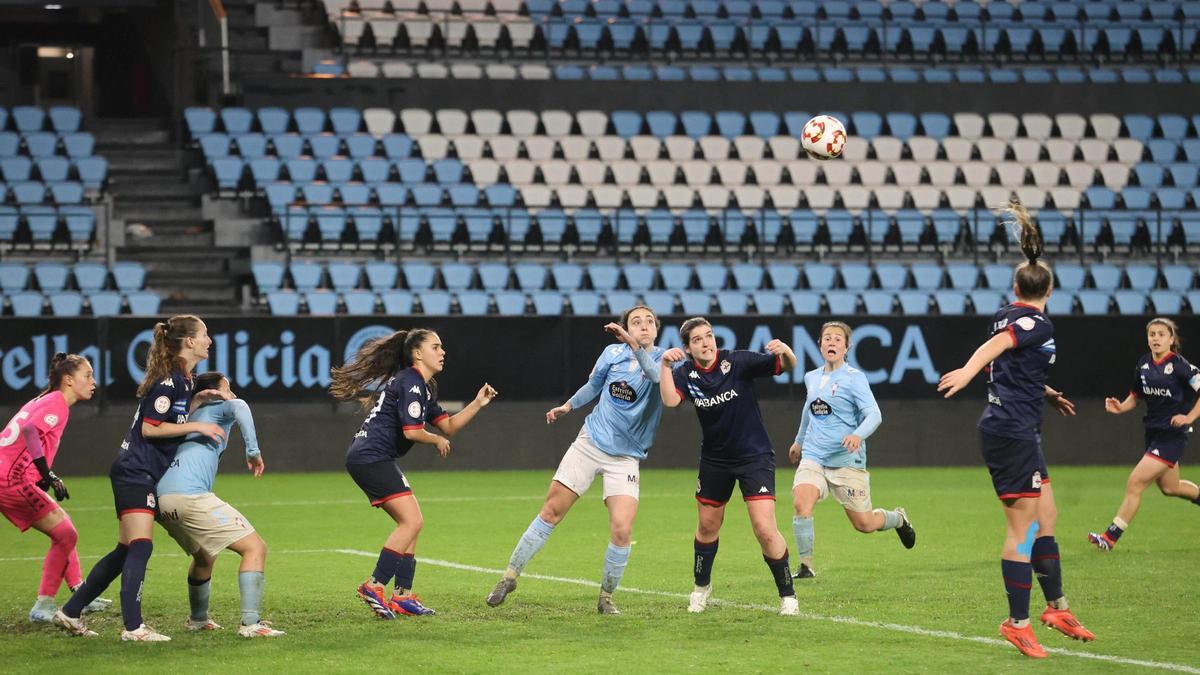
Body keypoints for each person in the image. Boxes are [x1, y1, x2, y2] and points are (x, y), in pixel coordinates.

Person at [937, 202, 1094, 659]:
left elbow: (1012, 363)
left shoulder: (1007, 312)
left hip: (1020, 426)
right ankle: (1017, 622)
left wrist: (1045, 391)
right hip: (1011, 432)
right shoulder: (1032, 321)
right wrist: (967, 371)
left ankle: (1057, 607)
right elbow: (999, 346)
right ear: (1050, 288)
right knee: (1022, 530)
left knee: (1047, 516)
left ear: (1015, 286)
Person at [54, 315, 227, 641]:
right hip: (136, 471)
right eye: (204, 334)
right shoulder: (168, 381)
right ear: (189, 341)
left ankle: (71, 611)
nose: (209, 340)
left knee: (125, 550)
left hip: (138, 471)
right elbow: (150, 427)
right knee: (141, 546)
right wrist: (197, 425)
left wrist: (196, 403)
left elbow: (170, 414)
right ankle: (133, 627)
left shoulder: (186, 380)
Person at [486, 306, 665, 615]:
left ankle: (606, 597)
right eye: (636, 322)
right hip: (590, 443)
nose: (644, 325)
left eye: (649, 321)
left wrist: (634, 345)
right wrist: (566, 407)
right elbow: (594, 387)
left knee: (622, 529)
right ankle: (509, 576)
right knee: (551, 511)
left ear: (657, 329)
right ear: (626, 328)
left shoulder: (664, 359)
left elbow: (653, 376)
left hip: (625, 456)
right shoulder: (612, 353)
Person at [331, 328, 497, 619]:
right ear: (418, 353)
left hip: (372, 457)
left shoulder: (422, 385)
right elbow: (412, 431)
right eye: (436, 346)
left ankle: (403, 596)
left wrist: (477, 403)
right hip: (372, 457)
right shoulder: (411, 381)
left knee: (413, 523)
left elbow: (448, 426)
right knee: (412, 522)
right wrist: (436, 440)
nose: (442, 351)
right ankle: (374, 586)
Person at [658, 317, 800, 616]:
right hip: (715, 460)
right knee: (708, 526)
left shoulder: (738, 361)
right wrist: (665, 366)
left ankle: (787, 594)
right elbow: (671, 401)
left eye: (708, 336)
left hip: (754, 457)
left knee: (764, 527)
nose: (706, 342)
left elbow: (787, 366)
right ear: (687, 348)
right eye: (697, 339)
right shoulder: (685, 373)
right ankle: (701, 587)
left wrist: (786, 351)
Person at [156, 371, 284, 637]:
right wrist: (253, 451)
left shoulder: (184, 417)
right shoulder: (217, 408)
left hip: (162, 501)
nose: (232, 393)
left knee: (204, 556)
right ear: (214, 394)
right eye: (228, 388)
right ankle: (251, 624)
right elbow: (240, 406)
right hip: (189, 496)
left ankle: (198, 619)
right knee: (255, 548)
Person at [788, 321, 915, 580]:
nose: (831, 342)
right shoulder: (811, 377)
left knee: (864, 524)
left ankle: (898, 518)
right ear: (820, 344)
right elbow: (808, 409)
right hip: (814, 456)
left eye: (837, 339)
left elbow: (874, 414)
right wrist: (799, 441)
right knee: (802, 503)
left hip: (846, 461)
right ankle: (806, 566)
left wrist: (858, 434)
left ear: (847, 346)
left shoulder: (854, 378)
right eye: (827, 338)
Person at [1, 353, 112, 623]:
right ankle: (44, 604)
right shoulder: (58, 404)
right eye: (88, 376)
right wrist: (45, 473)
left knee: (64, 530)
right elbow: (28, 430)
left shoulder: (46, 398)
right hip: (10, 480)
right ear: (68, 380)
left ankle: (80, 594)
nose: (93, 382)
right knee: (65, 532)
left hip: (9, 474)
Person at [1089, 318, 1200, 551]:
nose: (1156, 338)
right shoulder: (1143, 364)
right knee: (1171, 488)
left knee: (1135, 482)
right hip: (1153, 433)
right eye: (1152, 334)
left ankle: (1109, 538)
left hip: (1172, 435)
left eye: (1161, 334)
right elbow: (1136, 396)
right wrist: (1120, 407)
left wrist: (1189, 417)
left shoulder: (1179, 365)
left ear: (1171, 339)